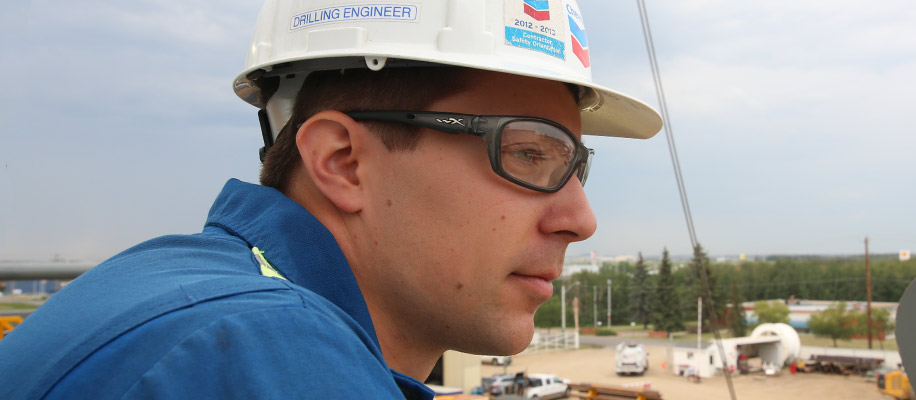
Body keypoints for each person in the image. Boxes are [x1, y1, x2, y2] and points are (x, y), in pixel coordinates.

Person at [0, 1, 661, 399]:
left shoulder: (186, 288)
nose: (580, 218)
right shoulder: (260, 357)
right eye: (528, 154)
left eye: (576, 167)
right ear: (343, 163)